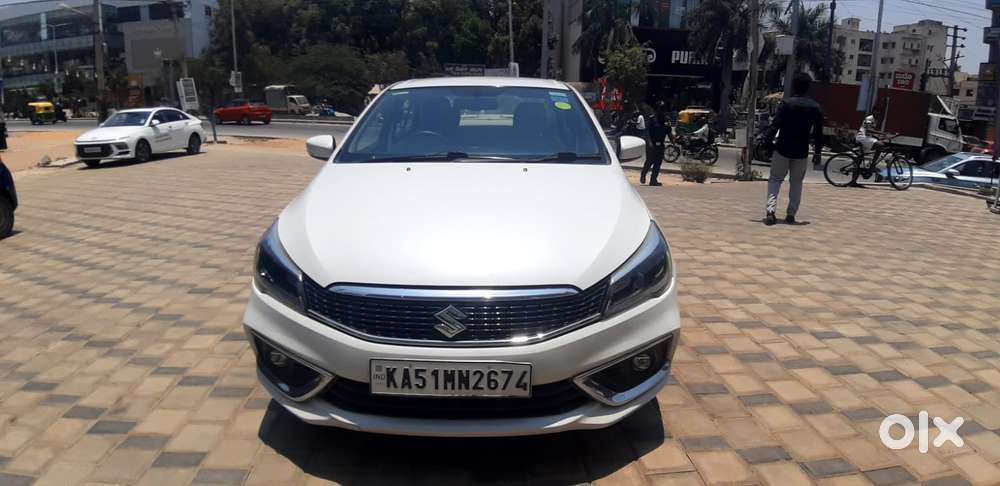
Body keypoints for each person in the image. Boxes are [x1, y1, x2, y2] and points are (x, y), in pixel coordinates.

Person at [762, 72, 824, 226]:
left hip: (782, 148)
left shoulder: (786, 104)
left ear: (793, 87)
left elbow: (775, 125)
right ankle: (791, 214)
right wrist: (817, 152)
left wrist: (766, 143)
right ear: (808, 87)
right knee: (796, 183)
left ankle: (771, 211)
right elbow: (818, 133)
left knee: (775, 180)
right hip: (801, 151)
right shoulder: (815, 107)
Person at [641, 107, 667, 186]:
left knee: (658, 163)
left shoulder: (664, 119)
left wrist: (673, 141)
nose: (661, 111)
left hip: (661, 145)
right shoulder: (651, 119)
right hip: (652, 144)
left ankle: (653, 179)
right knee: (649, 161)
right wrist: (649, 143)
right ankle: (643, 175)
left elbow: (668, 130)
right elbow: (647, 132)